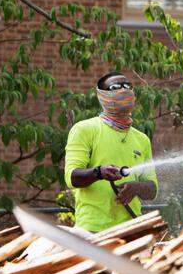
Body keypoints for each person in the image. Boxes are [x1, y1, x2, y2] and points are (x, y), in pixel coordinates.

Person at [63, 71, 159, 233]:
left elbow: (152, 189)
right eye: (116, 87)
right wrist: (99, 172)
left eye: (128, 86)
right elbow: (72, 178)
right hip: (92, 230)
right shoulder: (84, 129)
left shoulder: (142, 139)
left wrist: (136, 187)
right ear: (102, 96)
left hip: (132, 230)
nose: (124, 90)